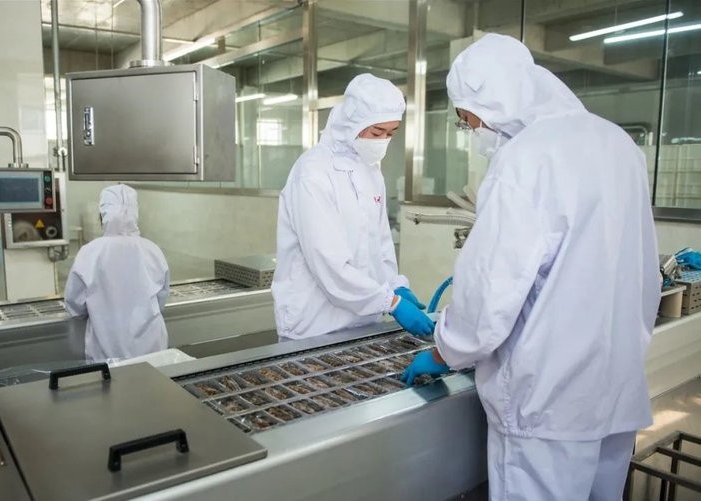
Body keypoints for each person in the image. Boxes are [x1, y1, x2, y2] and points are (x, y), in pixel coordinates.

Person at [401, 34, 660, 499]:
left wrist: (444, 352)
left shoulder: (525, 157)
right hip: (615, 391)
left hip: (546, 404)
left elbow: (489, 291)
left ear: (493, 104)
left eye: (468, 120)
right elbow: (644, 276)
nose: (472, 132)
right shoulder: (619, 144)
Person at [272, 73, 432, 341]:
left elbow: (380, 244)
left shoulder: (370, 171)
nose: (383, 140)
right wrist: (390, 302)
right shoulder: (312, 172)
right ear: (353, 123)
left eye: (391, 133)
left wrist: (394, 285)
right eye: (377, 132)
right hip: (314, 324)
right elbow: (328, 264)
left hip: (363, 320)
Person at [64, 184, 170, 362]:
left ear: (102, 216)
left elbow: (75, 306)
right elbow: (161, 300)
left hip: (106, 355)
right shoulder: (152, 250)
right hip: (152, 351)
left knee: (111, 381)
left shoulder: (90, 253)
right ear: (135, 214)